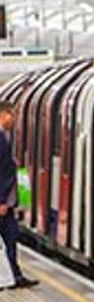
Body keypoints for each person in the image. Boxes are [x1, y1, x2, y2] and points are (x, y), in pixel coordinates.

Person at [0, 101, 35, 288]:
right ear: (4, 114)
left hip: (7, 202)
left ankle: (15, 275)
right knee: (10, 237)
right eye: (12, 115)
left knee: (11, 237)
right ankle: (12, 276)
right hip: (3, 202)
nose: (13, 120)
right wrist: (2, 201)